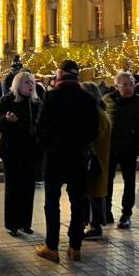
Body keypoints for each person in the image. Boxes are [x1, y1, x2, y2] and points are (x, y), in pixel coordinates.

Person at [35, 60, 99, 262]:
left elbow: (41, 128)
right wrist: (80, 145)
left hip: (55, 158)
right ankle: (75, 246)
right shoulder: (87, 98)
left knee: (52, 202)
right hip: (78, 158)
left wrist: (49, 145)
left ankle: (52, 247)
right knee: (77, 202)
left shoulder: (51, 96)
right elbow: (93, 131)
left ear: (60, 74)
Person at [102, 72, 139, 230]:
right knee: (107, 181)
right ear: (116, 86)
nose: (128, 88)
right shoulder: (107, 100)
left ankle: (126, 214)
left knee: (129, 182)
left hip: (129, 149)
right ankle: (106, 211)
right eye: (124, 85)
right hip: (110, 148)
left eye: (131, 84)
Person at [0, 71, 41, 237]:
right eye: (27, 82)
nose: (31, 85)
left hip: (31, 151)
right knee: (13, 188)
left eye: (32, 82)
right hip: (12, 151)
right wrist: (6, 120)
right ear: (18, 84)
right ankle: (12, 224)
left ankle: (25, 222)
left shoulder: (36, 102)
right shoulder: (7, 100)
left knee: (28, 188)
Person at [81, 82, 111, 241]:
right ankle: (93, 223)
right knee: (93, 192)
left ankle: (95, 225)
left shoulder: (97, 114)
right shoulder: (97, 111)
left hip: (95, 160)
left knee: (94, 193)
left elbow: (94, 136)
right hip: (96, 159)